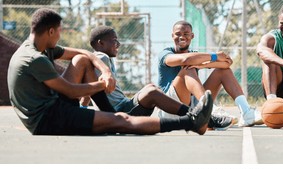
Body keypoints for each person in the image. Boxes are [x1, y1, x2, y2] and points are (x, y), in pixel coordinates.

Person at [7, 8, 213, 136]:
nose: (60, 37)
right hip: (49, 120)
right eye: (59, 32)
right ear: (51, 31)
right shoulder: (35, 59)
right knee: (121, 121)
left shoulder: (40, 47)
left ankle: (194, 119)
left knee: (81, 59)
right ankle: (190, 122)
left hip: (55, 108)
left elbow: (83, 53)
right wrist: (101, 84)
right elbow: (70, 91)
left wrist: (105, 71)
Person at [157, 20, 263, 127]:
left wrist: (201, 65)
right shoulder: (165, 54)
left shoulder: (195, 56)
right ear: (172, 35)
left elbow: (227, 63)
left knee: (222, 71)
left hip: (192, 106)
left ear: (192, 36)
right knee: (188, 68)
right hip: (170, 108)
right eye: (178, 34)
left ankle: (246, 112)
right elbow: (185, 60)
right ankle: (211, 111)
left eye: (186, 34)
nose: (182, 37)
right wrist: (214, 56)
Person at [81, 25, 198, 120]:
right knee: (151, 92)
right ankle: (194, 116)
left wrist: (83, 107)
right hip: (121, 112)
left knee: (150, 87)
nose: (118, 45)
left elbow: (88, 84)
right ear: (101, 43)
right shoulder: (101, 57)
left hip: (125, 105)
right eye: (114, 41)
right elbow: (87, 82)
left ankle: (192, 115)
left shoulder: (105, 59)